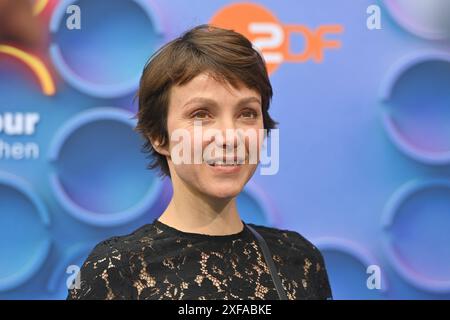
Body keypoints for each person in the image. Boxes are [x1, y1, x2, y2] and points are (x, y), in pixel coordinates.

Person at [67, 24, 332, 300]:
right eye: (201, 114)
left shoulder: (300, 261)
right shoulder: (116, 272)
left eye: (247, 113)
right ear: (160, 136)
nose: (229, 136)